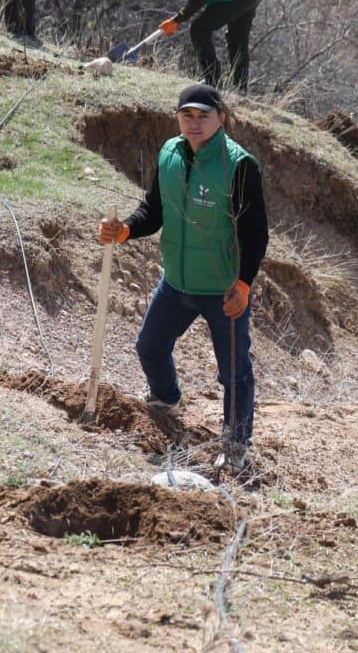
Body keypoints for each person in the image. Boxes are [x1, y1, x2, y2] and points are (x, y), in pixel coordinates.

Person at [99, 82, 268, 477]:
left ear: (220, 119)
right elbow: (154, 210)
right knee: (150, 347)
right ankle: (165, 398)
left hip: (222, 289)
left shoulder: (239, 165)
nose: (194, 123)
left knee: (234, 373)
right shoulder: (170, 154)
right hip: (175, 281)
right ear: (178, 118)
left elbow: (255, 233)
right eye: (187, 115)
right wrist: (125, 230)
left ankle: (236, 443)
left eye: (203, 116)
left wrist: (243, 283)